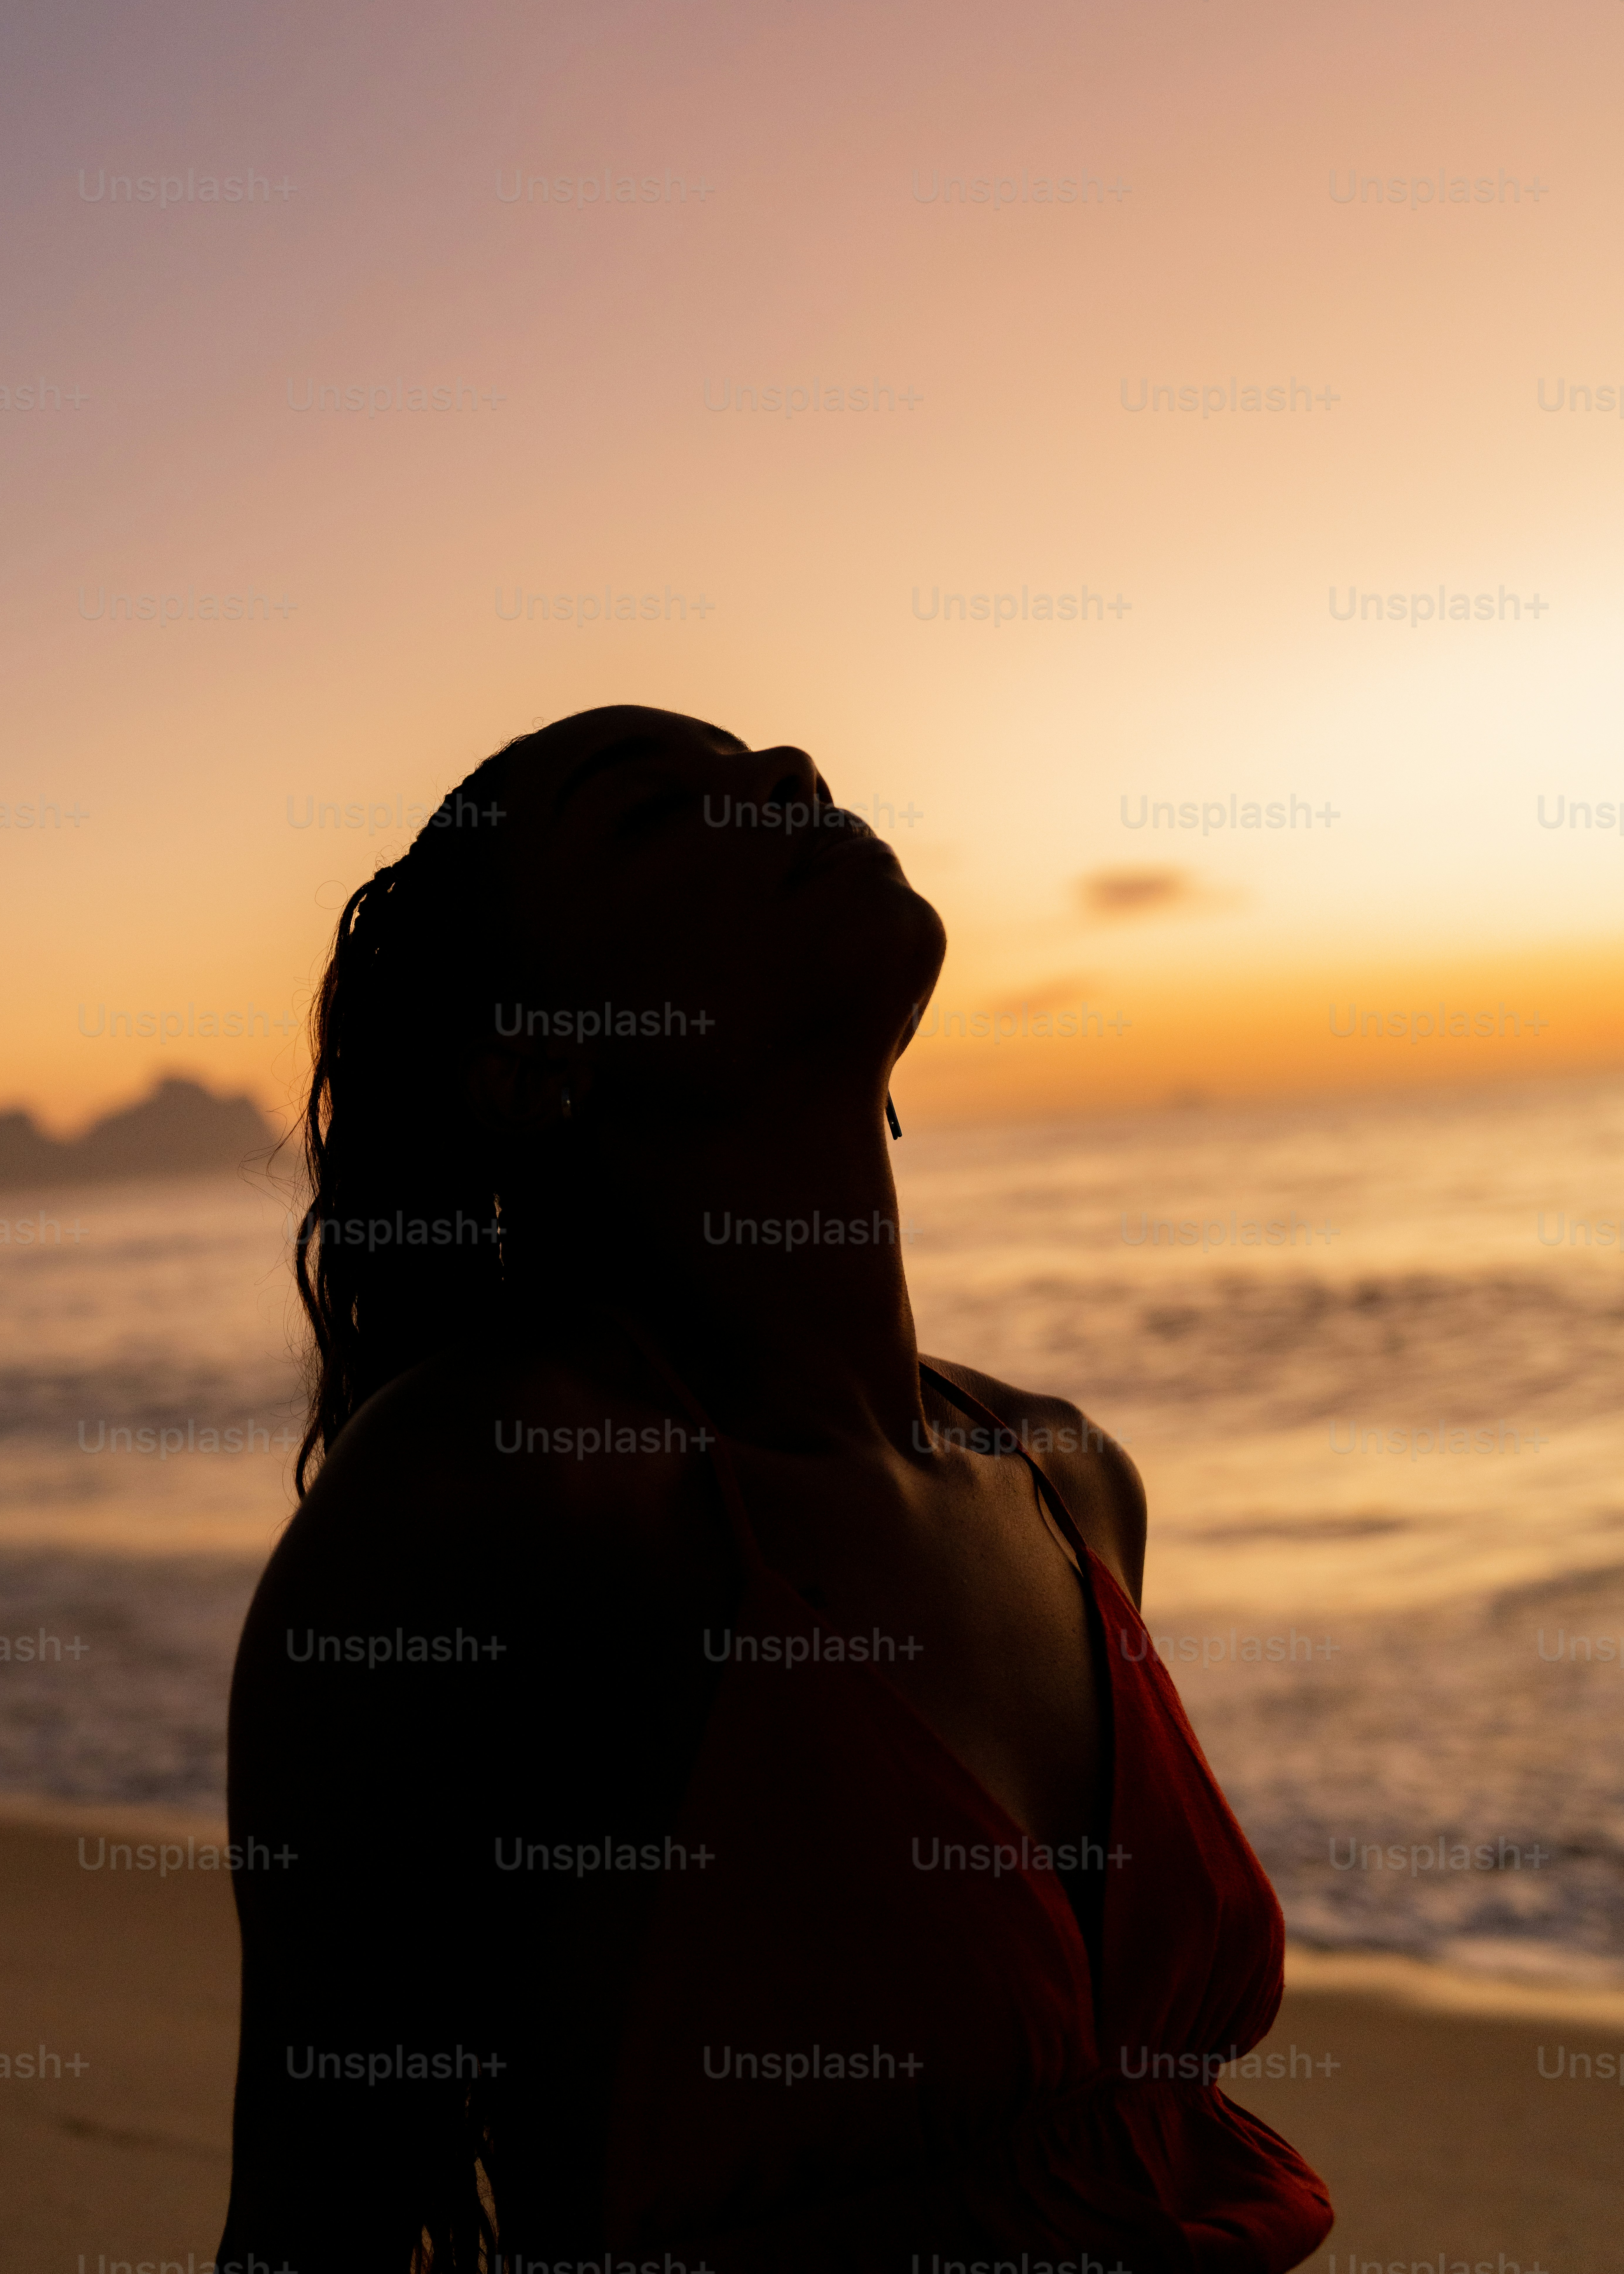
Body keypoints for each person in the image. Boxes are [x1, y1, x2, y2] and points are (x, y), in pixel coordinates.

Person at [216, 704, 1333, 2273]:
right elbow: (318, 2224)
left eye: (763, 763)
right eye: (651, 811)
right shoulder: (502, 1496)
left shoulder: (1071, 1481)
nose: (792, 778)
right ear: (535, 1066)